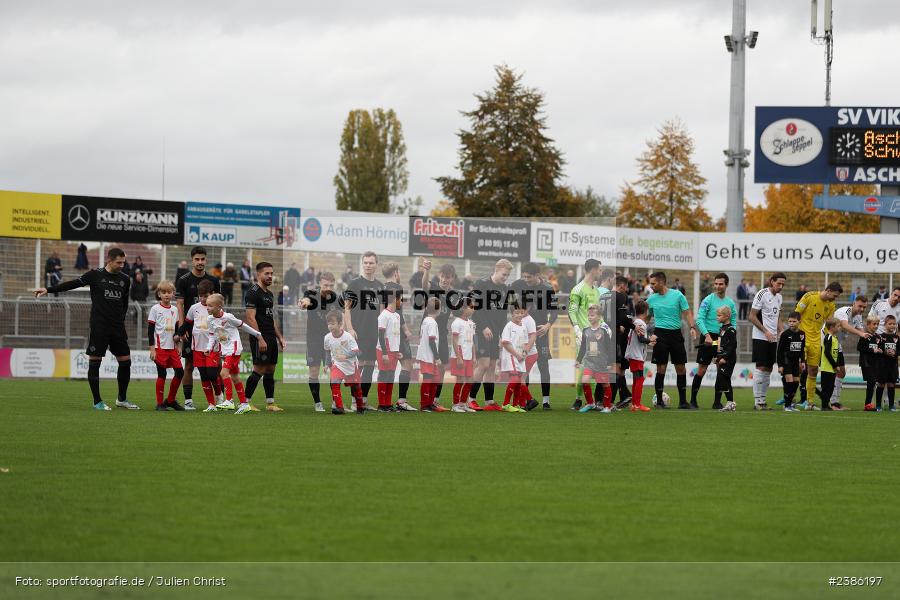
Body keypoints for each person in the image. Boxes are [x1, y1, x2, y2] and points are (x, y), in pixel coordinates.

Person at [35, 248, 137, 410]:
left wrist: (121, 320)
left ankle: (122, 399)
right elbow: (73, 284)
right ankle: (97, 402)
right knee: (95, 361)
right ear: (109, 260)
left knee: (126, 362)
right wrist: (49, 290)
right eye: (119, 262)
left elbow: (124, 303)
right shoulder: (95, 275)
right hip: (100, 327)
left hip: (117, 328)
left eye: (123, 262)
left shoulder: (125, 279)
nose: (122, 265)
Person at [176, 246, 221, 411]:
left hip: (212, 331)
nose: (200, 262)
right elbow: (180, 305)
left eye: (202, 259)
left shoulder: (214, 281)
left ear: (206, 260)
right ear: (192, 260)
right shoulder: (183, 280)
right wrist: (183, 327)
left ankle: (220, 398)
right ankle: (188, 400)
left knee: (217, 365)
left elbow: (219, 304)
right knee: (189, 365)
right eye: (197, 259)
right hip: (192, 330)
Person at [646, 271, 698, 409]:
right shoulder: (651, 299)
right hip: (660, 335)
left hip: (675, 335)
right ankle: (659, 402)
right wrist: (640, 331)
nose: (651, 286)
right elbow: (646, 317)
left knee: (680, 368)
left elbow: (687, 312)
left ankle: (682, 402)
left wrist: (692, 326)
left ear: (662, 282)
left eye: (653, 283)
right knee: (661, 368)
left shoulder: (678, 295)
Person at [510, 263, 558, 410]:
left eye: (528, 277)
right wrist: (516, 316)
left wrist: (548, 325)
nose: (526, 279)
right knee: (525, 366)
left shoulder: (548, 288)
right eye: (524, 276)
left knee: (543, 365)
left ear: (538, 276)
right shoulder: (518, 284)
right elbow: (510, 301)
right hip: (523, 332)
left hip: (540, 331)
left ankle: (546, 401)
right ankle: (524, 400)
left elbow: (554, 310)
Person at [468, 259, 514, 411]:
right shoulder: (481, 284)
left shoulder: (505, 290)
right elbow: (474, 308)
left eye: (507, 275)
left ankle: (489, 401)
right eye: (504, 274)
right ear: (497, 269)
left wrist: (502, 335)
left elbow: (502, 315)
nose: (505, 278)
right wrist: (484, 327)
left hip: (495, 332)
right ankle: (470, 398)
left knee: (492, 366)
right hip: (481, 330)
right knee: (484, 364)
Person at [205, 293, 263, 415]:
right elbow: (212, 335)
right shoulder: (210, 319)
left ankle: (229, 400)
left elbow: (243, 326)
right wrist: (209, 348)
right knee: (235, 377)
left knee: (223, 373)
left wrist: (257, 334)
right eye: (207, 305)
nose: (207, 308)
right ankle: (244, 404)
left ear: (219, 306)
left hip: (234, 349)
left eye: (210, 306)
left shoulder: (228, 317)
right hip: (225, 350)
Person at [342, 252, 384, 410]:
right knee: (358, 366)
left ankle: (364, 400)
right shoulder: (354, 283)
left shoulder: (380, 286)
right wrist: (350, 329)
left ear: (376, 265)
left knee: (371, 365)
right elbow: (346, 308)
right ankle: (355, 401)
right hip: (358, 332)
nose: (368, 265)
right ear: (362, 264)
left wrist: (381, 332)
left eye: (371, 263)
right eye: (365, 263)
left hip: (374, 333)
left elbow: (381, 311)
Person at [384, 260, 427, 411]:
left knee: (389, 368)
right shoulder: (397, 288)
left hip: (386, 333)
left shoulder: (381, 288)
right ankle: (401, 401)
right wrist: (406, 330)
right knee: (407, 364)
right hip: (397, 332)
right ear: (396, 273)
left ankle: (384, 402)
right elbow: (398, 311)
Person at [244, 262, 287, 412]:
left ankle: (270, 403)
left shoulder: (269, 294)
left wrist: (280, 337)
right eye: (266, 273)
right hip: (260, 336)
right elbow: (250, 318)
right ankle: (245, 403)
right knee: (259, 368)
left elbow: (271, 318)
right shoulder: (252, 292)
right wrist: (259, 338)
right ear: (258, 275)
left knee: (270, 369)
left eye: (271, 273)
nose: (270, 276)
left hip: (271, 336)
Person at [691, 273, 737, 409]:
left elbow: (733, 322)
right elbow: (699, 319)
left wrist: (729, 338)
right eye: (716, 283)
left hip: (722, 338)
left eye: (720, 284)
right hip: (708, 337)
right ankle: (693, 400)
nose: (717, 286)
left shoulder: (730, 303)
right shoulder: (708, 300)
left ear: (726, 285)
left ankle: (717, 402)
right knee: (702, 369)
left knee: (720, 370)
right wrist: (707, 335)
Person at [795, 282, 843, 410]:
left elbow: (829, 325)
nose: (835, 298)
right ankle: (790, 398)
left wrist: (830, 338)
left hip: (816, 340)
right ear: (827, 290)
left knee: (813, 371)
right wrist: (795, 334)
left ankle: (810, 403)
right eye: (834, 295)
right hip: (802, 337)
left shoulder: (831, 305)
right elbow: (796, 314)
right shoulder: (809, 296)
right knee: (798, 369)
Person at [300, 272, 340, 412]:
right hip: (314, 339)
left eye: (331, 285)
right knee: (314, 371)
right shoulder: (311, 294)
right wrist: (304, 303)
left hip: (331, 340)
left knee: (334, 372)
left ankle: (336, 401)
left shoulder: (336, 299)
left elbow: (341, 318)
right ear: (319, 284)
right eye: (325, 285)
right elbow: (305, 301)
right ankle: (318, 403)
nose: (328, 288)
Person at [748, 272, 786, 411]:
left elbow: (778, 316)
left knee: (769, 368)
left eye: (783, 284)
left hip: (773, 338)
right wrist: (766, 331)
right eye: (778, 283)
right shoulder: (762, 294)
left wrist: (782, 330)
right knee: (761, 367)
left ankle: (763, 400)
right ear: (771, 281)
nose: (780, 286)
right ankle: (757, 401)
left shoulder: (779, 297)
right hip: (760, 337)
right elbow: (751, 316)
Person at [568, 258, 601, 410]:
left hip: (595, 336)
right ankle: (581, 399)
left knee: (591, 367)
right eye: (599, 269)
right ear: (593, 269)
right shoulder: (578, 289)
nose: (600, 272)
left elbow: (598, 313)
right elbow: (572, 310)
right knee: (586, 367)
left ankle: (585, 400)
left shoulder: (596, 290)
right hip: (583, 335)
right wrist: (576, 328)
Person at [147, 280, 185, 411]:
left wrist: (179, 346)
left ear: (173, 293)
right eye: (164, 292)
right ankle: (159, 403)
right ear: (159, 294)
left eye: (169, 292)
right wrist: (152, 349)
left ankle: (170, 400)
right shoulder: (155, 309)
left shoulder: (175, 310)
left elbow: (177, 330)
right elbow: (150, 330)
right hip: (160, 348)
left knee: (180, 372)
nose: (167, 295)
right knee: (161, 374)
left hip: (172, 348)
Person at [828, 295, 870, 409]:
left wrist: (872, 338)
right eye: (860, 306)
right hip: (827, 342)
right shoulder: (844, 311)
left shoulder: (858, 317)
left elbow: (863, 332)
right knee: (830, 372)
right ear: (854, 303)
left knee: (841, 372)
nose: (861, 309)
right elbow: (845, 325)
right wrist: (861, 334)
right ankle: (825, 402)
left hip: (837, 345)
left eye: (864, 307)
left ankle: (834, 402)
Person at [323, 310, 363, 414]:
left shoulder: (348, 336)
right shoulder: (327, 338)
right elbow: (327, 351)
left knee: (356, 387)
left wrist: (345, 356)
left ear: (340, 324)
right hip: (337, 365)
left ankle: (360, 407)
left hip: (351, 365)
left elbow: (356, 351)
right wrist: (327, 364)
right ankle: (340, 408)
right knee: (334, 382)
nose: (330, 326)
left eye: (333, 323)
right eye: (328, 324)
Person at [575, 304, 611, 414]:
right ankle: (590, 403)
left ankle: (607, 407)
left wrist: (610, 362)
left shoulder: (604, 331)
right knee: (584, 381)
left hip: (601, 363)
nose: (590, 317)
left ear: (599, 316)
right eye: (589, 315)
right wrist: (578, 359)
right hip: (589, 362)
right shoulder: (585, 330)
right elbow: (583, 347)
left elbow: (608, 348)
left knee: (605, 384)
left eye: (592, 315)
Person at [375, 287, 403, 412]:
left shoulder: (397, 315)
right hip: (384, 351)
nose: (401, 302)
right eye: (400, 299)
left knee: (391, 376)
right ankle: (382, 404)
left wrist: (398, 350)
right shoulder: (384, 315)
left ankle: (388, 403)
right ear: (394, 300)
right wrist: (385, 353)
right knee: (383, 375)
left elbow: (395, 335)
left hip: (394, 351)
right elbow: (381, 335)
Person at [624, 299, 653, 411]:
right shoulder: (641, 323)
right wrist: (649, 340)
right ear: (646, 311)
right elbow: (641, 339)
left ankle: (634, 405)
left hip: (633, 354)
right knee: (640, 378)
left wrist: (649, 341)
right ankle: (637, 404)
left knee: (637, 379)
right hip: (636, 355)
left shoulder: (635, 322)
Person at [499, 303, 529, 413]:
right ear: (512, 314)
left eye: (521, 312)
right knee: (515, 379)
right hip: (512, 355)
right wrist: (517, 355)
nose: (519, 315)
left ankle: (515, 404)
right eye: (517, 313)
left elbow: (525, 343)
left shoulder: (524, 326)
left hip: (521, 357)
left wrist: (525, 352)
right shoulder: (509, 326)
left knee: (518, 380)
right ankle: (506, 404)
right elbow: (505, 343)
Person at [449, 297, 477, 413]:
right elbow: (454, 341)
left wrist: (474, 356)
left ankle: (463, 403)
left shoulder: (471, 323)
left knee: (470, 380)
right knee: (460, 380)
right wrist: (459, 357)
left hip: (469, 356)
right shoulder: (457, 322)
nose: (473, 308)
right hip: (459, 356)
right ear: (463, 308)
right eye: (471, 306)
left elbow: (472, 342)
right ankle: (455, 405)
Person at [417, 297, 444, 411]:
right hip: (428, 356)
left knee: (434, 379)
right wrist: (437, 357)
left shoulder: (426, 320)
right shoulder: (432, 322)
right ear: (438, 309)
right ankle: (425, 405)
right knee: (428, 378)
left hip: (427, 355)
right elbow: (431, 340)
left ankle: (430, 403)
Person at [776, 312, 806, 412]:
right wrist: (780, 365)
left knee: (796, 382)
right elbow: (779, 351)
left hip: (795, 362)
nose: (791, 323)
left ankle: (790, 404)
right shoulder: (785, 334)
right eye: (789, 321)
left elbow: (802, 349)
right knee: (789, 381)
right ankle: (787, 405)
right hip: (786, 360)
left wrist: (803, 361)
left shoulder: (802, 334)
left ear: (799, 321)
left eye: (794, 321)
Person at [714, 306, 738, 412]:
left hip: (728, 359)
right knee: (723, 380)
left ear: (727, 316)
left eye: (719, 315)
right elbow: (721, 344)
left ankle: (731, 402)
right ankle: (730, 403)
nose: (717, 317)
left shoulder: (730, 329)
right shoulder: (722, 328)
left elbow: (733, 345)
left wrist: (725, 358)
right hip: (722, 358)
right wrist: (717, 356)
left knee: (724, 379)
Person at [818, 318, 844, 412]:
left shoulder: (834, 338)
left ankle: (826, 405)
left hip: (831, 368)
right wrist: (834, 365)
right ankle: (824, 405)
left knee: (829, 389)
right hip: (827, 367)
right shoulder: (828, 337)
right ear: (832, 327)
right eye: (838, 326)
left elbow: (835, 353)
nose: (839, 328)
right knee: (826, 388)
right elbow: (827, 353)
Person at [858, 315, 882, 411]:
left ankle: (868, 404)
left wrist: (880, 350)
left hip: (875, 363)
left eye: (877, 324)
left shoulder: (877, 337)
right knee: (871, 381)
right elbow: (859, 348)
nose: (876, 326)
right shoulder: (864, 335)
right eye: (874, 324)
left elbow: (879, 349)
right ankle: (867, 404)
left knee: (872, 383)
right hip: (866, 363)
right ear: (868, 325)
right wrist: (873, 350)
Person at [875, 315, 899, 412]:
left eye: (894, 324)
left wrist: (895, 353)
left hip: (893, 366)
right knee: (881, 385)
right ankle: (878, 406)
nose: (892, 326)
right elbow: (878, 350)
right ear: (885, 325)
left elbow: (899, 350)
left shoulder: (897, 337)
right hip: (882, 365)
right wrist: (885, 352)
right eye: (890, 324)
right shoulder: (881, 337)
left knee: (891, 385)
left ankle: (891, 406)